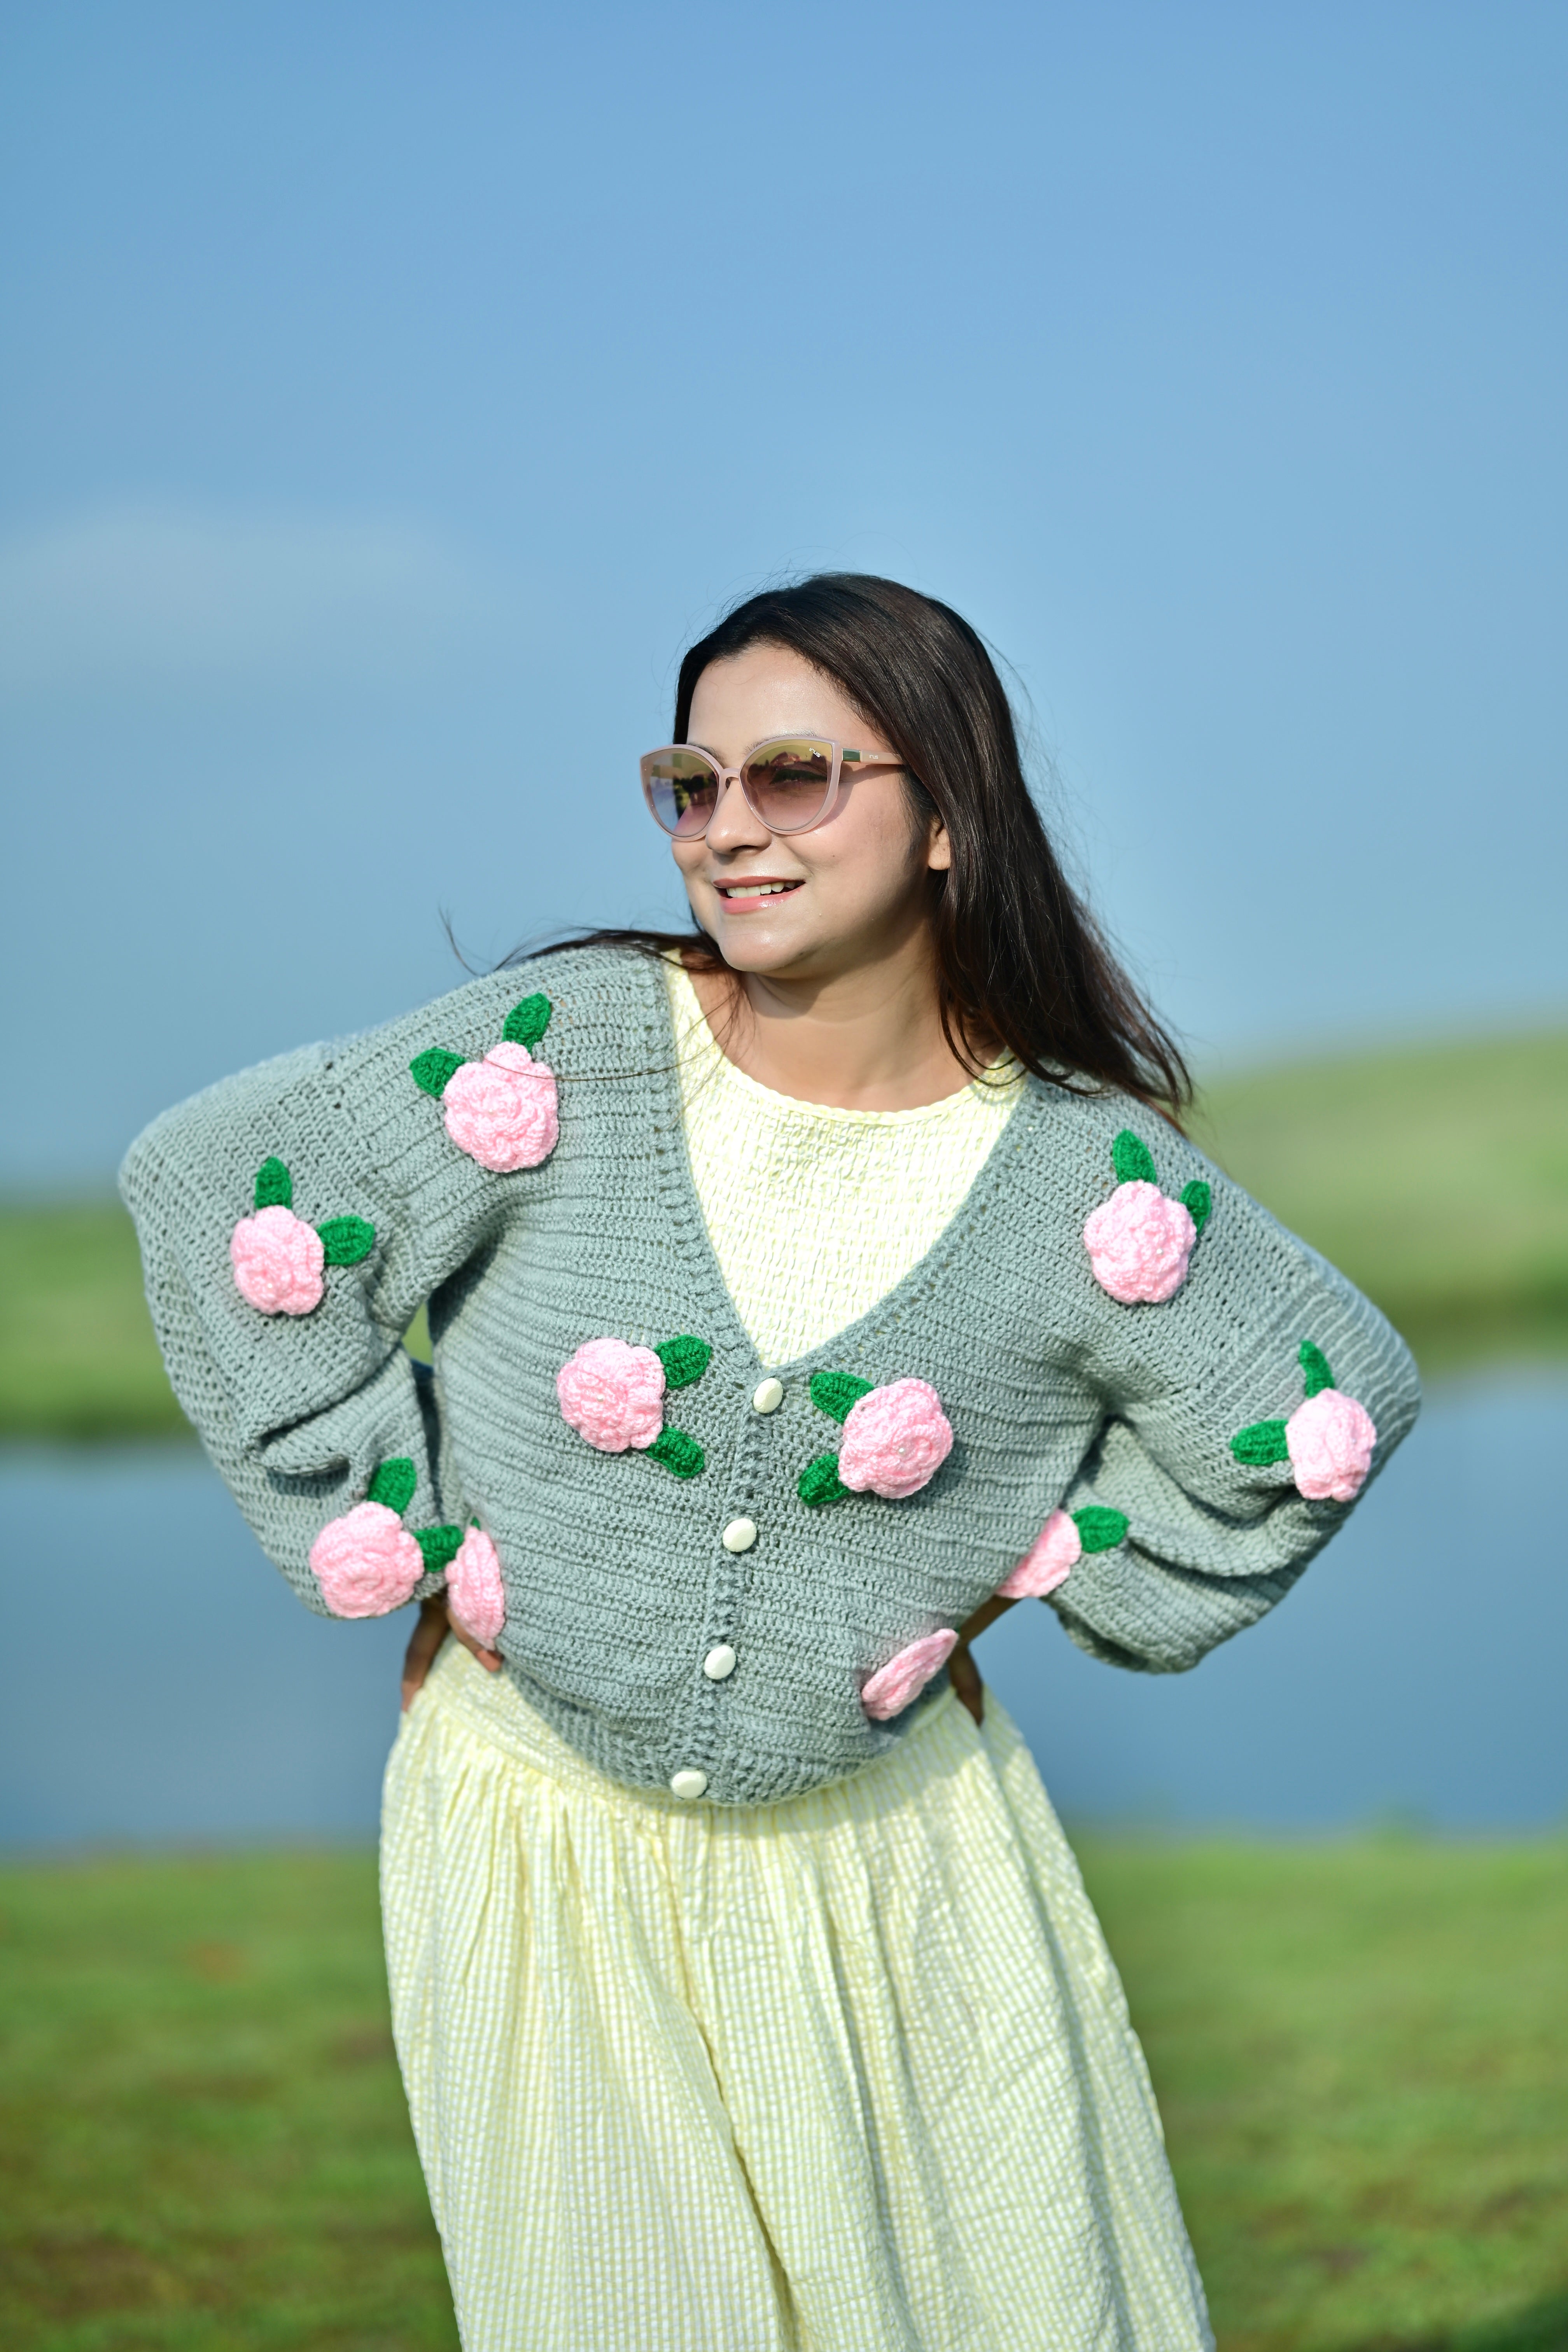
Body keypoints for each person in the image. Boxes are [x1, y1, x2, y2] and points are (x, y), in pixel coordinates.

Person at [122, 573, 1420, 2351]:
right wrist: (393, 1526)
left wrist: (1026, 1578)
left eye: (795, 776)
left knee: (983, 2302)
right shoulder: (570, 1052)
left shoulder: (1081, 1176)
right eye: (692, 784)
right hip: (536, 1830)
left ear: (948, 814)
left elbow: (1320, 1411)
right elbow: (226, 1200)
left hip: (899, 1860)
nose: (729, 830)